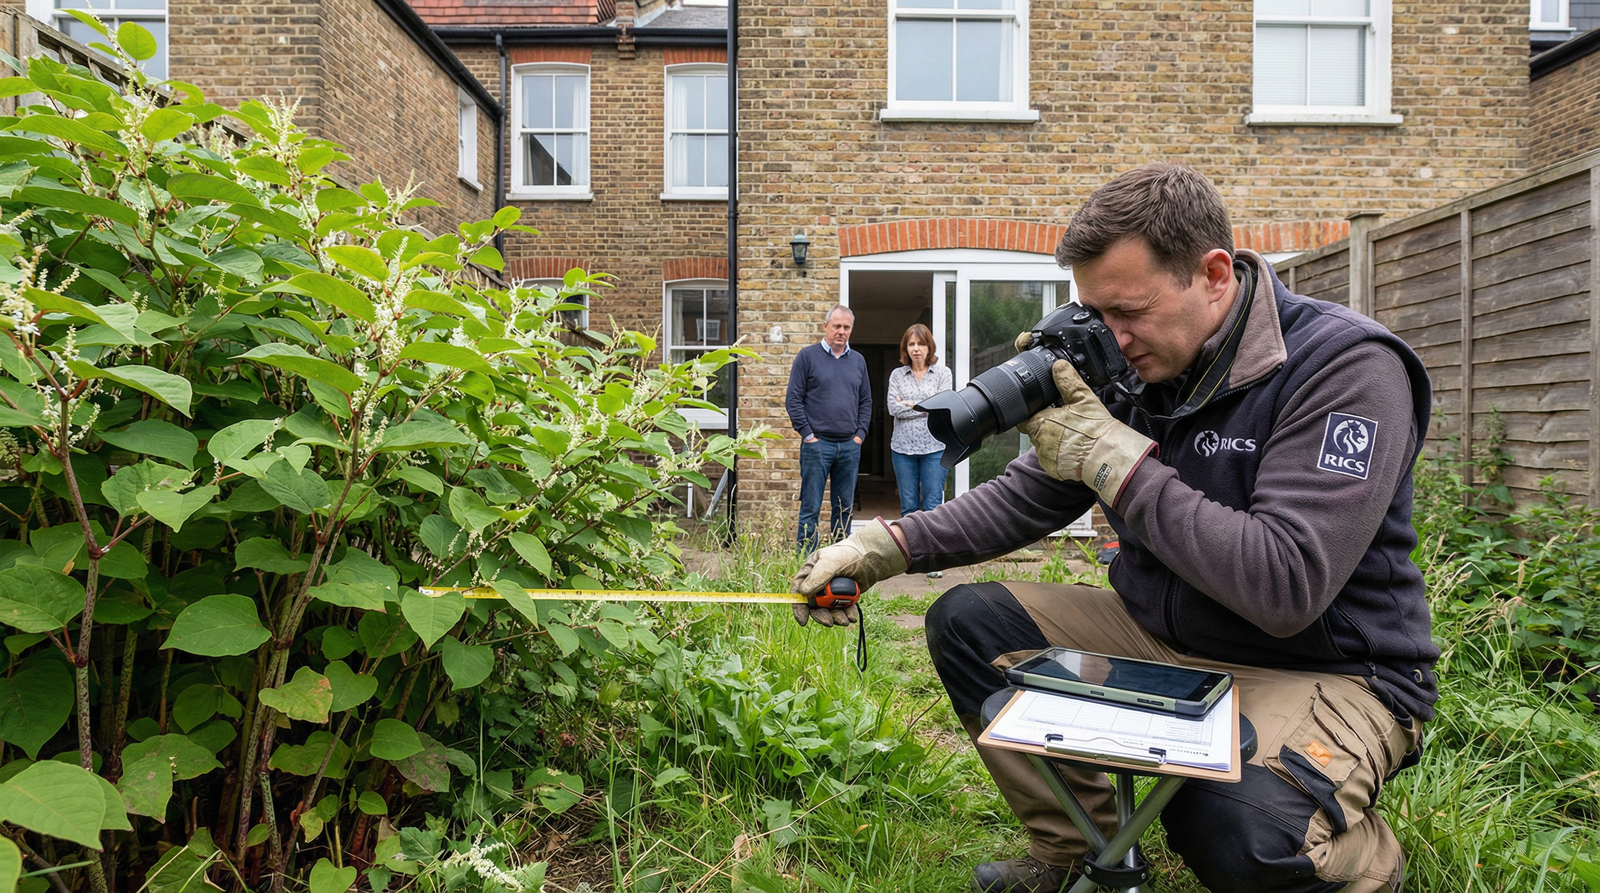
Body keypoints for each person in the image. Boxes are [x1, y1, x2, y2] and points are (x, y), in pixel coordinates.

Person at [791, 163, 1435, 893]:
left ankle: (1362, 857)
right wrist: (884, 546)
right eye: (1098, 312)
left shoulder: (1347, 367)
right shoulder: (1144, 363)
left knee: (1235, 831)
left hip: (1328, 666)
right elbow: (1028, 495)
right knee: (971, 620)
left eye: (1128, 311)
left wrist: (1120, 465)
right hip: (1171, 638)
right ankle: (1079, 847)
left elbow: (1287, 582)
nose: (1113, 337)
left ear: (1214, 275)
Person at [786, 304, 873, 555]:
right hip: (817, 445)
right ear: (825, 326)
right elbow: (793, 399)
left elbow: (865, 401)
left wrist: (860, 435)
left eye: (846, 327)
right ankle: (806, 561)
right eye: (837, 326)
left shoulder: (858, 361)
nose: (841, 332)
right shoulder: (807, 357)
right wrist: (808, 434)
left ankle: (838, 561)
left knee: (844, 507)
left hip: (849, 446)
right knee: (810, 507)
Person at [886, 323, 953, 516]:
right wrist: (926, 407)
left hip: (935, 448)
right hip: (902, 450)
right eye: (911, 344)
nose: (916, 349)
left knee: (933, 507)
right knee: (909, 508)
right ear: (905, 348)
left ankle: (933, 547)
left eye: (921, 344)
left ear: (929, 347)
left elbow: (942, 407)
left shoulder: (943, 373)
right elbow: (893, 407)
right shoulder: (897, 375)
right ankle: (911, 547)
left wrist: (909, 404)